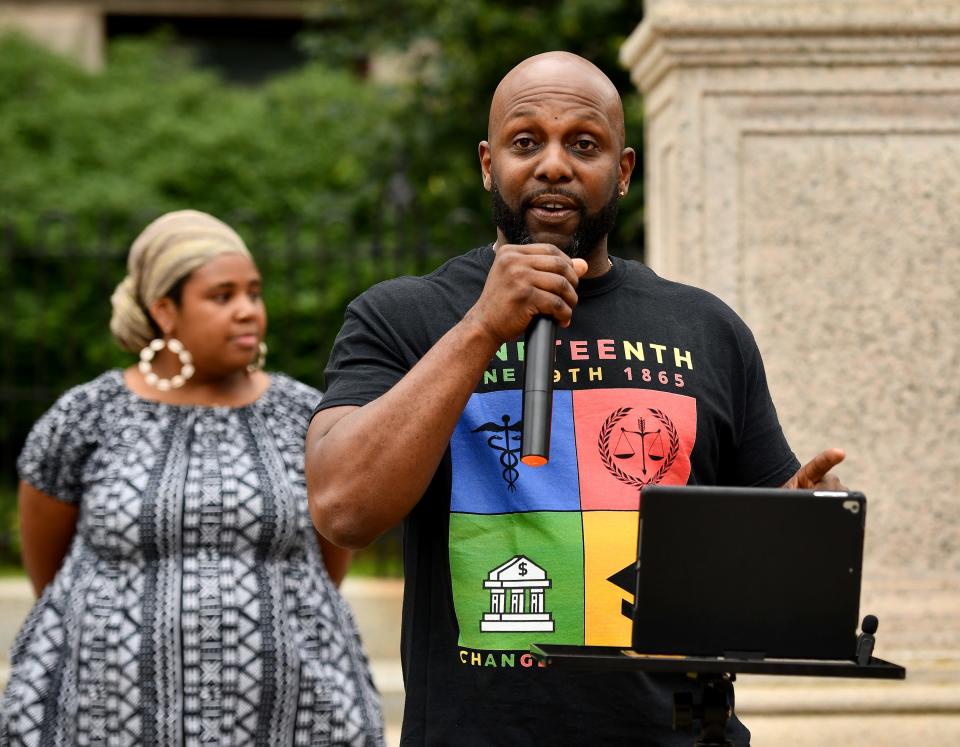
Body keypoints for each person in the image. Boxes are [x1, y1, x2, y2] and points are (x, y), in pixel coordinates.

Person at [305, 52, 845, 746]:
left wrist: (808, 526)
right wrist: (481, 328)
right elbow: (344, 507)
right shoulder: (401, 317)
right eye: (525, 141)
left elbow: (771, 564)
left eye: (583, 144)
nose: (554, 165)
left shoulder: (705, 328)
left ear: (622, 170)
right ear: (486, 163)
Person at [1, 210, 384, 746]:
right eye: (222, 296)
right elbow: (50, 572)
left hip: (292, 715)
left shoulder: (305, 416)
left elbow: (326, 563)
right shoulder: (87, 417)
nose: (248, 311)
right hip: (106, 715)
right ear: (164, 311)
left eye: (254, 293)